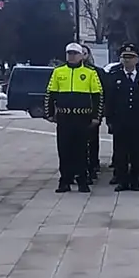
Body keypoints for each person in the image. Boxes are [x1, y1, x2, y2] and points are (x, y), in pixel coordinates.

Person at [45, 43, 104, 193]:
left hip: (82, 118)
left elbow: (98, 96)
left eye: (75, 54)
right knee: (64, 149)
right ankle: (65, 180)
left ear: (81, 55)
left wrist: (96, 117)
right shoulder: (58, 72)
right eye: (69, 54)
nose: (72, 56)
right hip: (65, 117)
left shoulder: (90, 72)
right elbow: (50, 94)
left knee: (82, 150)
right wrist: (50, 113)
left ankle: (82, 179)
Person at [106, 44, 139, 191]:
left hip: (138, 122)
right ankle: (122, 180)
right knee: (120, 153)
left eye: (131, 57)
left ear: (137, 59)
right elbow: (110, 101)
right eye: (124, 57)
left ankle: (135, 179)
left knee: (137, 153)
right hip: (120, 122)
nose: (127, 60)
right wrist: (110, 121)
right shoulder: (114, 77)